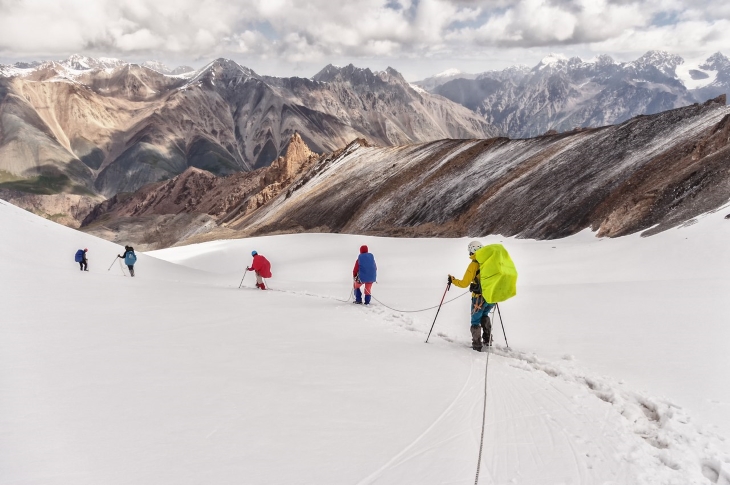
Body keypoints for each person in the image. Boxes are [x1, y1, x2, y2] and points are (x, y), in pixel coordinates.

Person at [449, 241, 494, 351]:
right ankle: (487, 340)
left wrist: (453, 280)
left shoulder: (474, 264)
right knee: (485, 315)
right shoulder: (490, 261)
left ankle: (477, 345)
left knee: (475, 321)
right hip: (491, 296)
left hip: (478, 298)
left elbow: (464, 283)